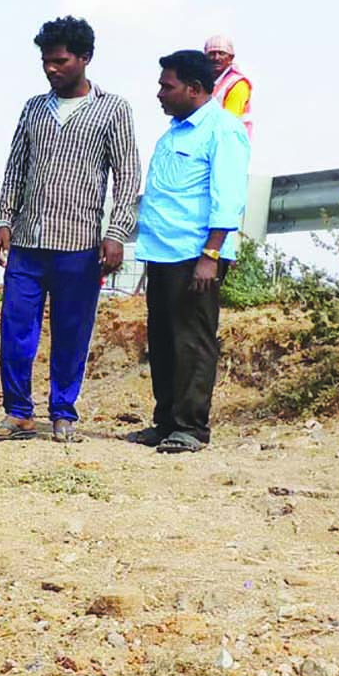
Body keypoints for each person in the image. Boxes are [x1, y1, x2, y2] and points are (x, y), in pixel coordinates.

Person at [0, 15, 141, 444]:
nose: (51, 69)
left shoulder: (113, 109)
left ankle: (63, 412)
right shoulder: (34, 108)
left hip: (80, 244)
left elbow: (128, 175)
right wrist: (4, 220)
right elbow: (15, 169)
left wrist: (117, 232)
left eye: (60, 61)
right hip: (28, 242)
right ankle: (18, 413)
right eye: (45, 62)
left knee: (71, 332)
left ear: (85, 58)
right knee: (15, 330)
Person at [131, 49, 251, 454]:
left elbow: (228, 196)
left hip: (196, 255)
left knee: (192, 341)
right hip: (162, 253)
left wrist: (211, 255)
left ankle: (191, 428)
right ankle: (166, 422)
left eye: (167, 86)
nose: (159, 94)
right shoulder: (173, 133)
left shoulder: (223, 130)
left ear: (195, 88)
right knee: (164, 340)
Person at [204, 34, 253, 138]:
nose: (216, 58)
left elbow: (228, 122)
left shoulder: (237, 83)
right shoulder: (205, 82)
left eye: (221, 53)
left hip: (229, 140)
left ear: (230, 58)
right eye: (212, 54)